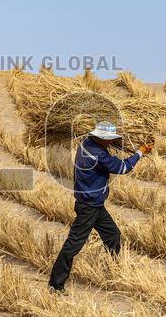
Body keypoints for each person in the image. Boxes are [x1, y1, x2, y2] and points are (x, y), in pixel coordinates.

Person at [48, 121, 153, 294]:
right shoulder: (98, 156)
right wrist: (139, 153)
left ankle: (114, 271)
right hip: (89, 207)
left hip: (92, 204)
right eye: (109, 139)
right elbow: (123, 167)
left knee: (113, 235)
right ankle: (55, 284)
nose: (110, 142)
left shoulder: (86, 145)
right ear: (100, 138)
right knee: (73, 244)